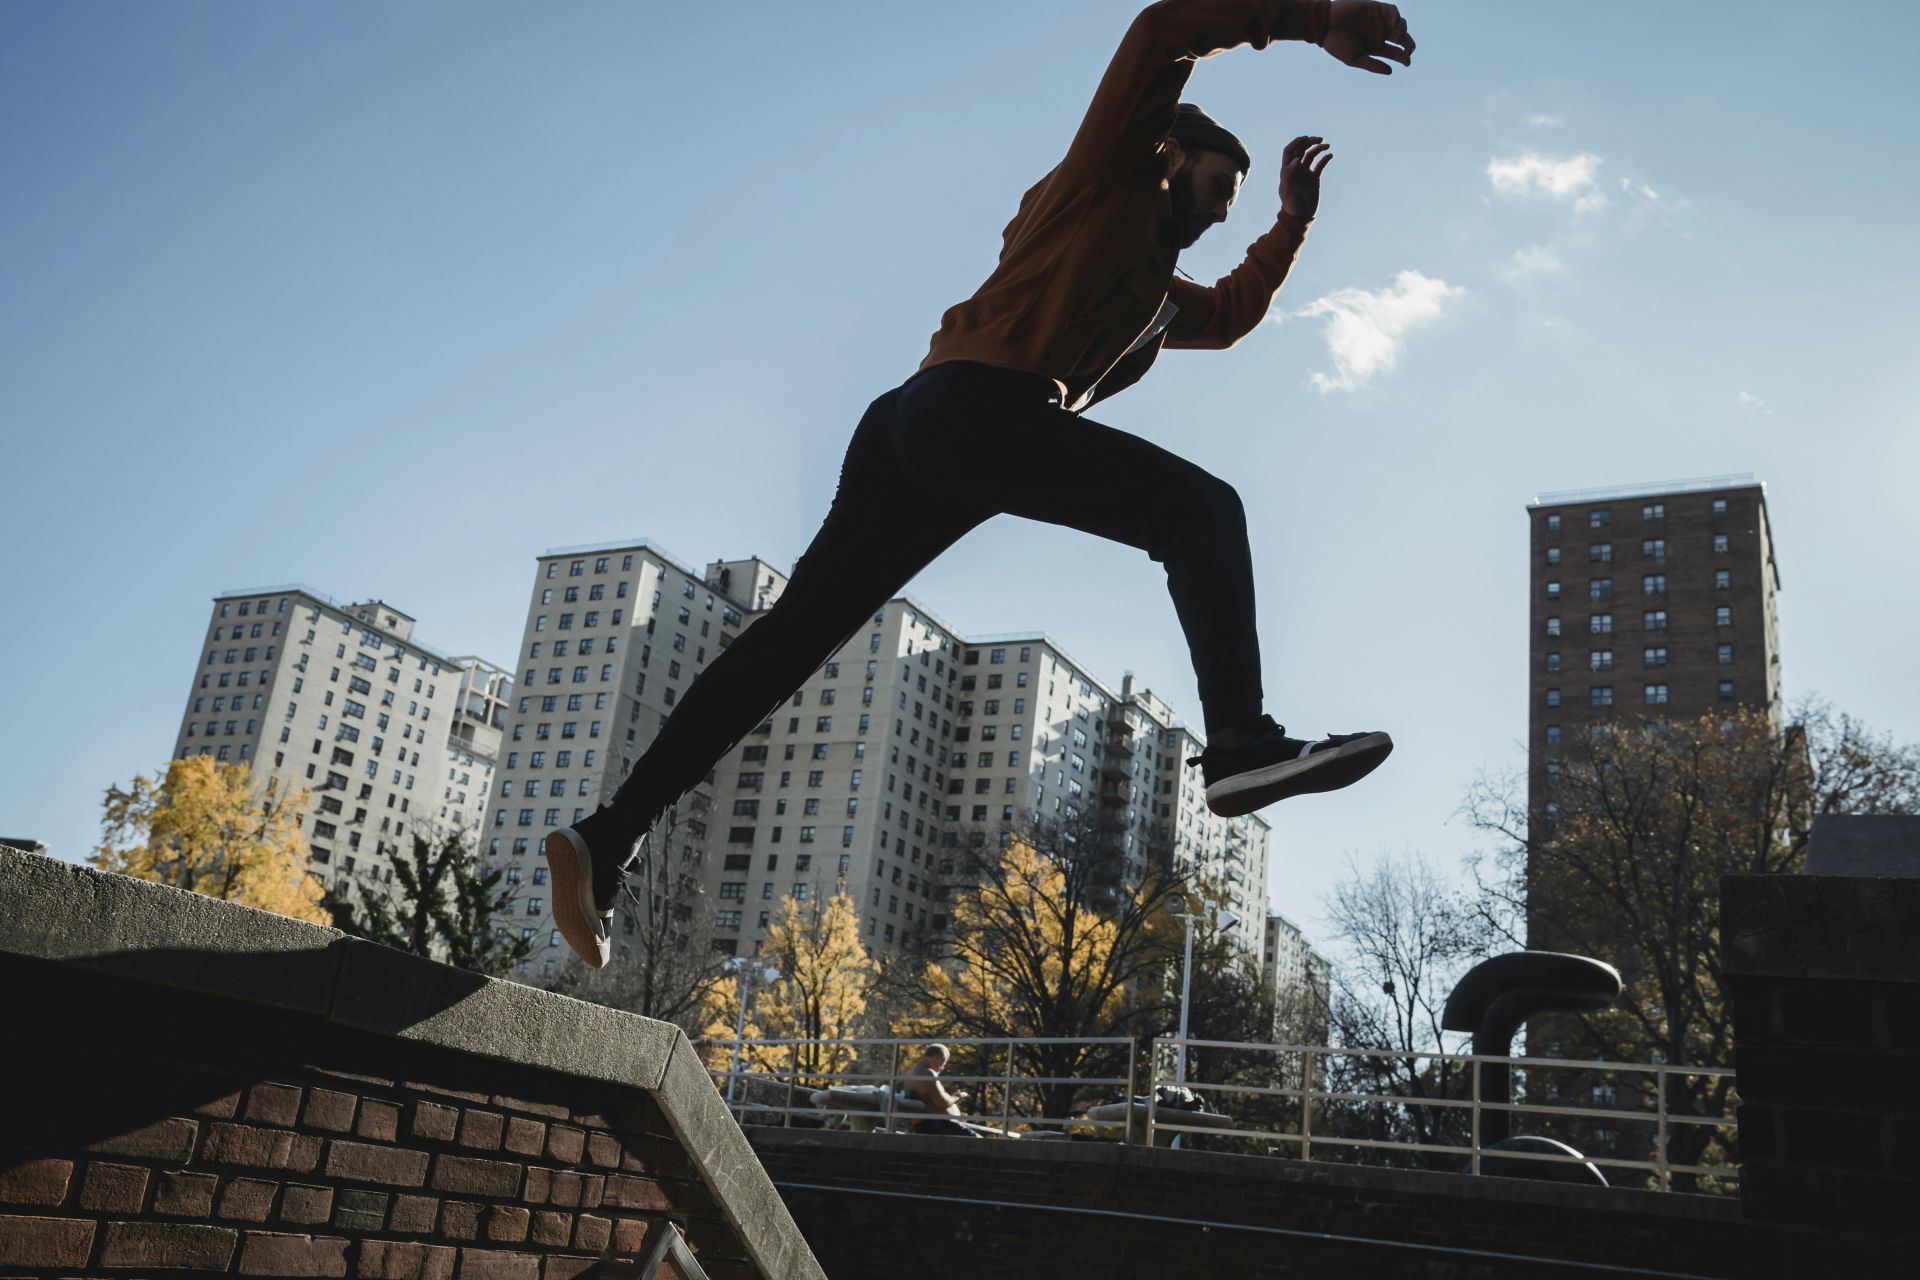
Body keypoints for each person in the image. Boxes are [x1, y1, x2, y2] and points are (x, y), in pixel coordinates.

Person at [546, 0, 1416, 968]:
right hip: (973, 410)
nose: (1222, 211)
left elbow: (1227, 314)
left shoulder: (1153, 295)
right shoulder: (1111, 173)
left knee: (787, 645)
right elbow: (1166, 26)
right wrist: (1318, 17)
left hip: (916, 431)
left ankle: (606, 837)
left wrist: (1290, 224)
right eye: (1221, 186)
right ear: (1174, 152)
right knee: (1202, 510)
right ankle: (1241, 741)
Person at [902, 1044, 975, 1137]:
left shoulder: (913, 1071)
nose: (942, 1068)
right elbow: (942, 1103)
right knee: (980, 1142)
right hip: (938, 1125)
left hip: (929, 1125)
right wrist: (958, 1097)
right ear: (938, 1059)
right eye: (943, 1064)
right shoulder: (927, 1073)